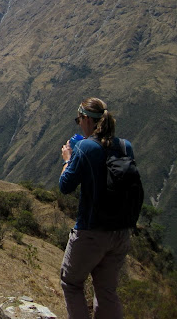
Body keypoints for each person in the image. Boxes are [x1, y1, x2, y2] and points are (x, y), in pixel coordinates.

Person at [59, 97, 133, 319]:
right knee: (106, 290)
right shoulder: (125, 146)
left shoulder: (84, 147)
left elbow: (65, 186)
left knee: (71, 283)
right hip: (120, 232)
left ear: (86, 120)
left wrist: (68, 159)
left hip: (91, 230)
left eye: (78, 120)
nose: (78, 124)